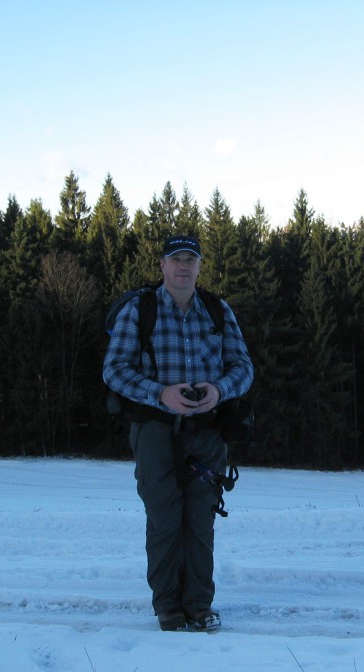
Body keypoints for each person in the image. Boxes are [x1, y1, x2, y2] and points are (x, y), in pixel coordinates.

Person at [102, 234, 254, 631]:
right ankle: (168, 608)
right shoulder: (140, 310)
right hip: (155, 431)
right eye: (176, 259)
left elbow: (243, 367)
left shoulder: (217, 311)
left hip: (207, 433)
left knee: (200, 522)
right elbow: (114, 370)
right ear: (163, 266)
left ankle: (200, 607)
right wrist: (161, 394)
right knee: (164, 518)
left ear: (200, 266)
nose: (183, 266)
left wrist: (219, 389)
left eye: (191, 259)